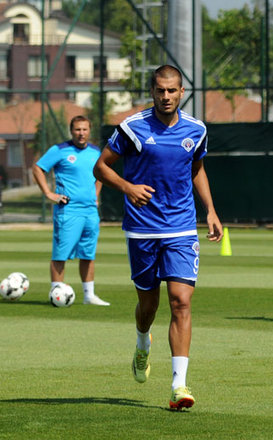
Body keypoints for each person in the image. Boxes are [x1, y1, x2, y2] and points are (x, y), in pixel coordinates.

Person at [93, 65, 223, 411]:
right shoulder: (132, 127)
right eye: (160, 90)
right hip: (142, 229)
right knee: (148, 306)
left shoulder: (196, 130)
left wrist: (210, 210)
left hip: (181, 227)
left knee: (181, 301)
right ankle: (142, 342)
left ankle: (179, 386)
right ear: (152, 91)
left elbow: (197, 169)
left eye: (172, 90)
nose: (166, 96)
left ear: (182, 92)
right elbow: (101, 167)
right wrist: (128, 187)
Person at [32, 115, 109, 305]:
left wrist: (96, 195)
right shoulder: (59, 150)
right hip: (68, 210)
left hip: (90, 211)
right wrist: (49, 193)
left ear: (89, 131)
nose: (81, 133)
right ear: (71, 131)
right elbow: (38, 168)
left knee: (88, 254)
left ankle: (89, 296)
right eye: (77, 129)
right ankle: (56, 294)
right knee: (61, 254)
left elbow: (101, 173)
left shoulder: (95, 151)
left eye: (84, 129)